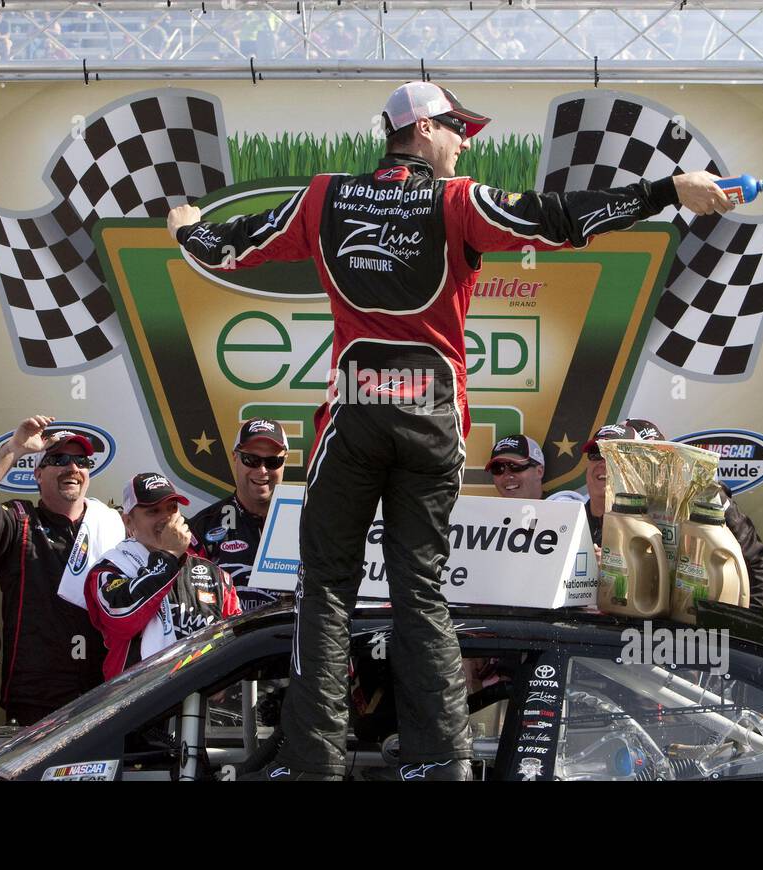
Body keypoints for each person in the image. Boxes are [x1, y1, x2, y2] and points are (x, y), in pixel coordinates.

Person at [168, 81, 730, 780]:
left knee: (327, 586)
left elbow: (221, 250)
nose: (465, 142)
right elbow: (557, 218)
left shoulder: (323, 198)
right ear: (424, 129)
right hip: (434, 420)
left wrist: (187, 224)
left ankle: (313, 759)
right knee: (420, 590)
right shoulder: (457, 199)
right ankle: (441, 762)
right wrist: (669, 189)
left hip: (353, 414)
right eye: (459, 129)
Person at [0, 416, 124, 725]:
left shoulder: (113, 523)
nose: (72, 468)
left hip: (106, 690)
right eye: (59, 459)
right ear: (38, 473)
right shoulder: (20, 523)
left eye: (81, 460)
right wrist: (14, 449)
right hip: (38, 698)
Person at [579, 418, 763, 610]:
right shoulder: (583, 515)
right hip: (619, 627)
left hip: (683, 627)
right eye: (598, 454)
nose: (606, 462)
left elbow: (756, 561)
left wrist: (748, 623)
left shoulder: (702, 495)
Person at [86, 473, 240, 679]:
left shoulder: (215, 575)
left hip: (203, 699)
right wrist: (168, 556)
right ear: (128, 522)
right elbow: (121, 618)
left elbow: (234, 638)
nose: (166, 518)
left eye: (172, 508)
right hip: (140, 702)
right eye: (153, 511)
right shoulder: (109, 569)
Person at [187, 418, 288, 611]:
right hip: (231, 639)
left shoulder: (308, 522)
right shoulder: (204, 526)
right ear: (235, 457)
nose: (262, 470)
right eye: (251, 460)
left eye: (273, 461)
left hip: (290, 637)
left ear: (285, 461)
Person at [485, 434, 545, 500]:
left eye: (515, 466)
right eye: (498, 468)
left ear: (539, 472)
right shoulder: (487, 510)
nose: (507, 476)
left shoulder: (557, 507)